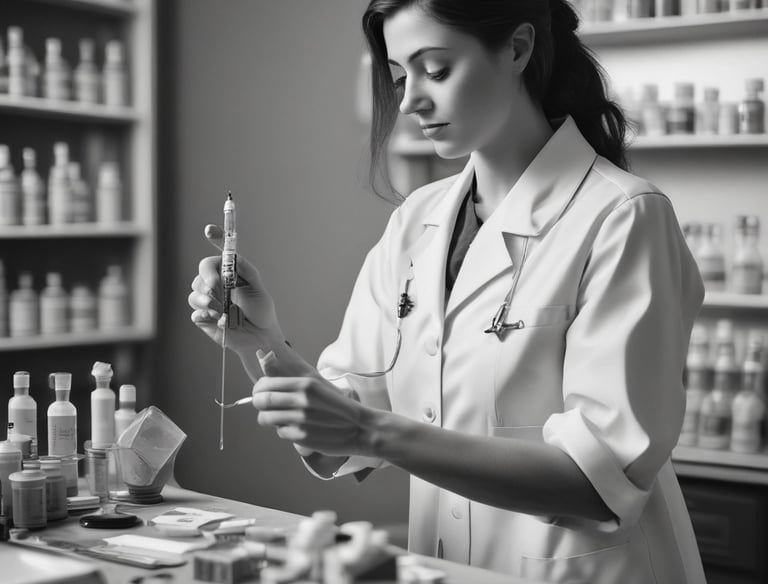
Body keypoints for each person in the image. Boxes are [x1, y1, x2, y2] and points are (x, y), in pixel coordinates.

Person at [189, 1, 706, 582]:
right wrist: (261, 343)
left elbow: (599, 482)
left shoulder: (623, 216)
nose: (410, 100)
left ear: (517, 49)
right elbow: (342, 439)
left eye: (435, 69)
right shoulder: (419, 220)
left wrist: (370, 432)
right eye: (400, 76)